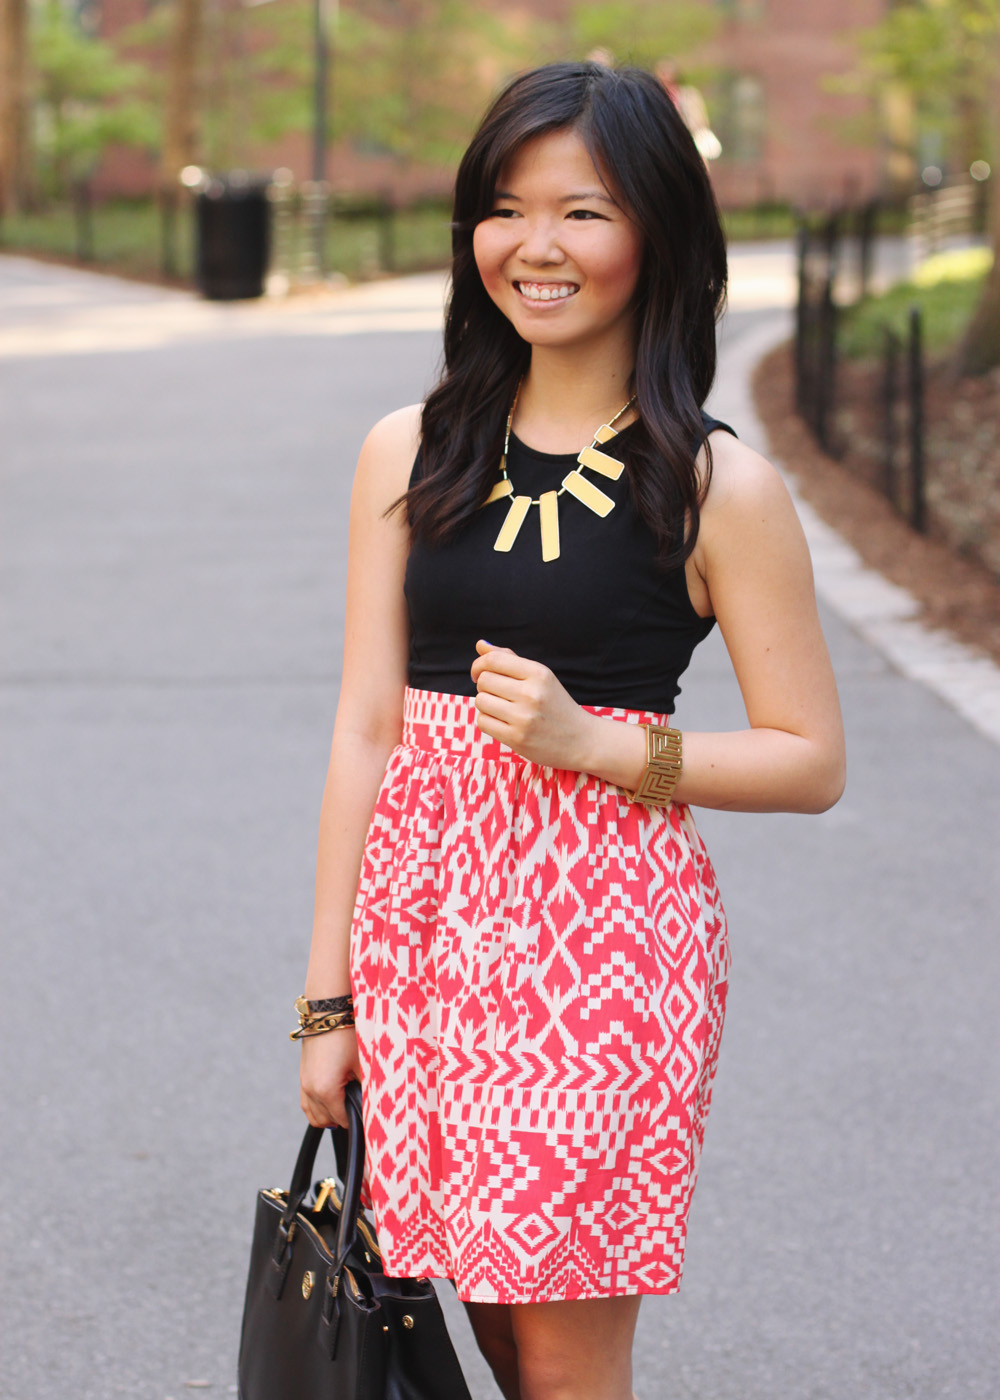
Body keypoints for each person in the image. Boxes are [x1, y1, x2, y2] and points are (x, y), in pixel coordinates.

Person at [296, 61, 845, 1400]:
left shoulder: (720, 486)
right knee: (479, 1312)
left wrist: (602, 747)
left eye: (583, 212)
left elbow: (810, 757)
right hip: (420, 939)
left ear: (658, 232)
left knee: (560, 1342)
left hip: (602, 961)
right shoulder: (407, 449)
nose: (535, 247)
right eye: (504, 206)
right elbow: (368, 724)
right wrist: (328, 998)